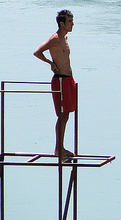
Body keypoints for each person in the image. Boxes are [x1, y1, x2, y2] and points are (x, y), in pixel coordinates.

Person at [33, 10, 76, 160]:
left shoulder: (65, 37)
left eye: (72, 20)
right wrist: (50, 63)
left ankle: (61, 147)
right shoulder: (55, 39)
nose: (72, 24)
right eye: (70, 21)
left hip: (68, 79)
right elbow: (37, 52)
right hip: (60, 80)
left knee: (67, 115)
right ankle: (58, 149)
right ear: (62, 23)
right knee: (62, 115)